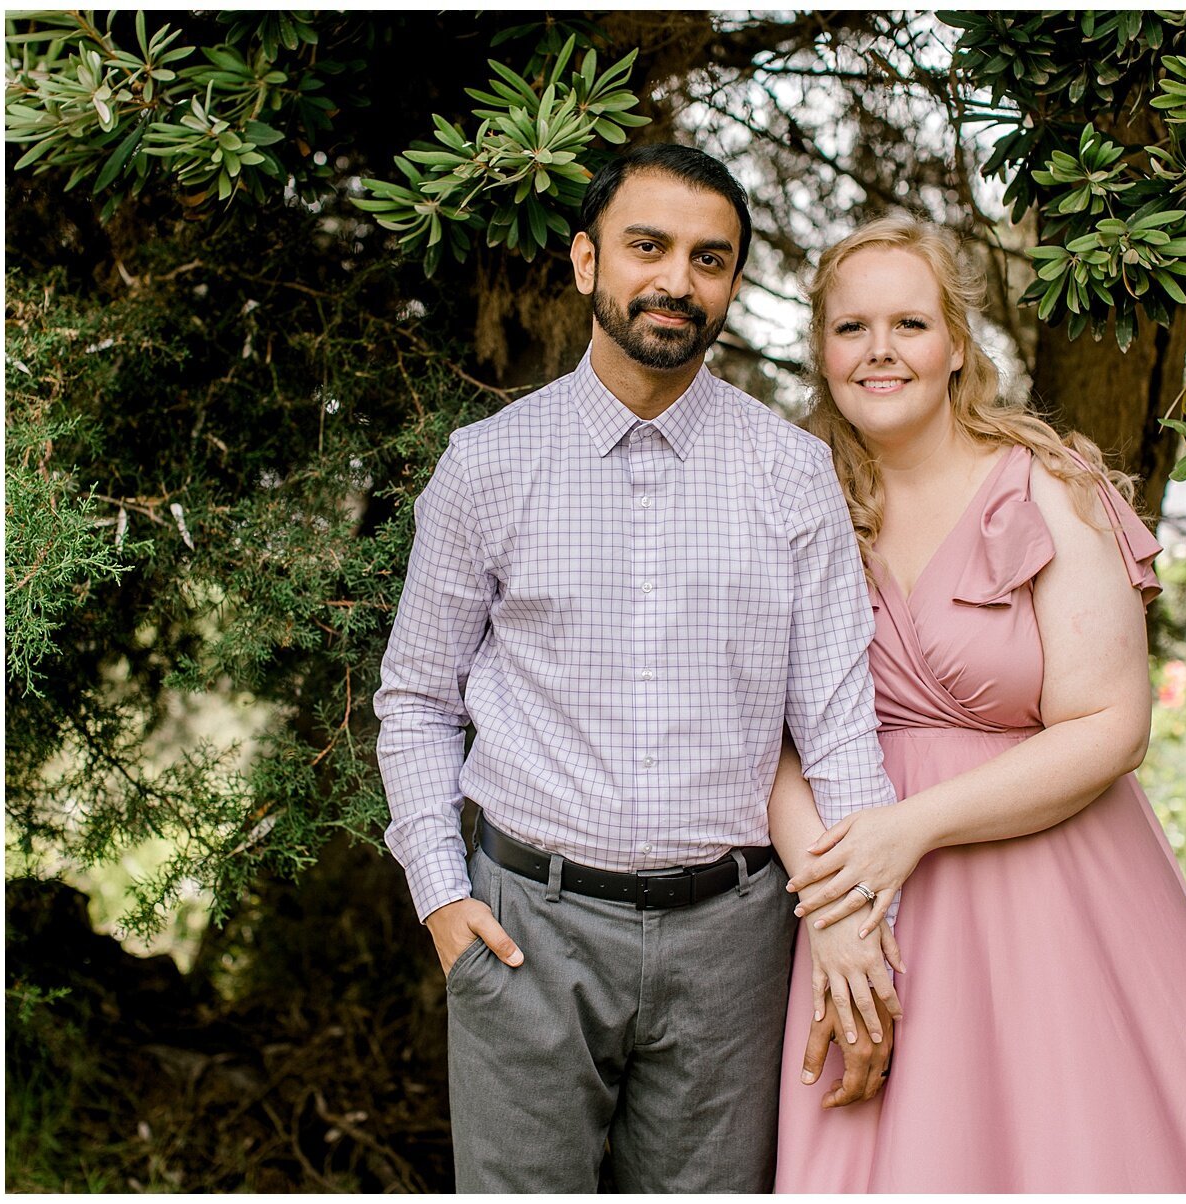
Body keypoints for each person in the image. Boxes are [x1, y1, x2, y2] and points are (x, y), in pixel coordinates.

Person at [373, 144, 902, 1194]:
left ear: (734, 286)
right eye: (647, 247)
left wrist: (860, 932)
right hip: (526, 930)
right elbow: (417, 701)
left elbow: (839, 730)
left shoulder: (792, 474)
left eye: (711, 259)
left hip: (737, 944)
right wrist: (442, 896)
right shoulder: (489, 466)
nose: (677, 281)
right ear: (585, 261)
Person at [769, 215, 1186, 1192]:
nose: (880, 351)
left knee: (1075, 1145)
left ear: (957, 345)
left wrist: (912, 828)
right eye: (852, 328)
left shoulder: (1046, 486)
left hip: (1054, 896)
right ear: (821, 348)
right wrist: (831, 907)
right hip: (861, 905)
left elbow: (1114, 724)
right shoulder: (788, 500)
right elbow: (764, 738)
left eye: (910, 323)